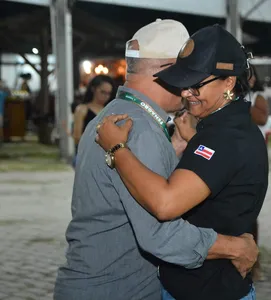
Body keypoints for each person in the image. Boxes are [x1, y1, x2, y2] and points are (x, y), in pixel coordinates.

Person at [54, 19, 258, 300]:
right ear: (166, 71)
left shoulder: (115, 115)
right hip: (117, 289)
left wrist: (175, 147)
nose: (188, 88)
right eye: (187, 74)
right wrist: (234, 247)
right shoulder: (137, 130)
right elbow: (162, 234)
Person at [246, 64, 269, 281]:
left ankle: (254, 262)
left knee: (250, 213)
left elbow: (261, 119)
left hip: (251, 155)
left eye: (249, 75)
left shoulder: (258, 98)